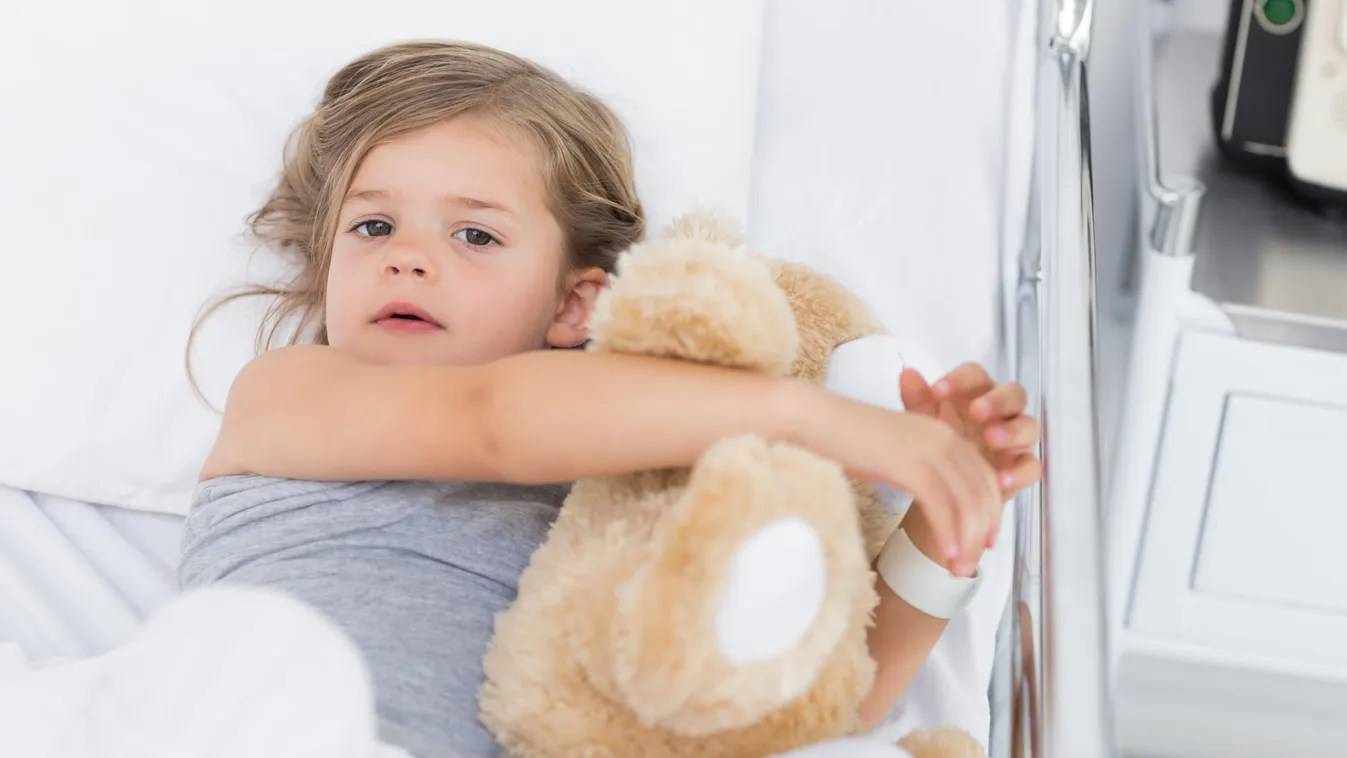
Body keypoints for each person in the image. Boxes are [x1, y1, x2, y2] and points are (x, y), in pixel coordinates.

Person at [179, 40, 1042, 758]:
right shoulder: (287, 395)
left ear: (572, 306)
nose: (408, 257)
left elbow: (800, 700)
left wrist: (945, 525)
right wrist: (817, 419)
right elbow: (491, 421)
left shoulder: (622, 488)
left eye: (474, 234)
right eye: (373, 226)